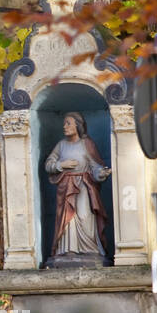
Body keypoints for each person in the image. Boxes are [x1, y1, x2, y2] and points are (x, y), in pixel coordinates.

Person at [44, 111, 111, 265]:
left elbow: (95, 167)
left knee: (84, 215)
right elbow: (48, 164)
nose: (64, 126)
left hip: (83, 186)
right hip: (66, 187)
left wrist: (101, 173)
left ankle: (90, 249)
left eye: (68, 123)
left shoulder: (87, 144)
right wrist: (61, 165)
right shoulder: (61, 145)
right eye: (64, 123)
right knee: (68, 218)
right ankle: (68, 250)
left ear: (78, 126)